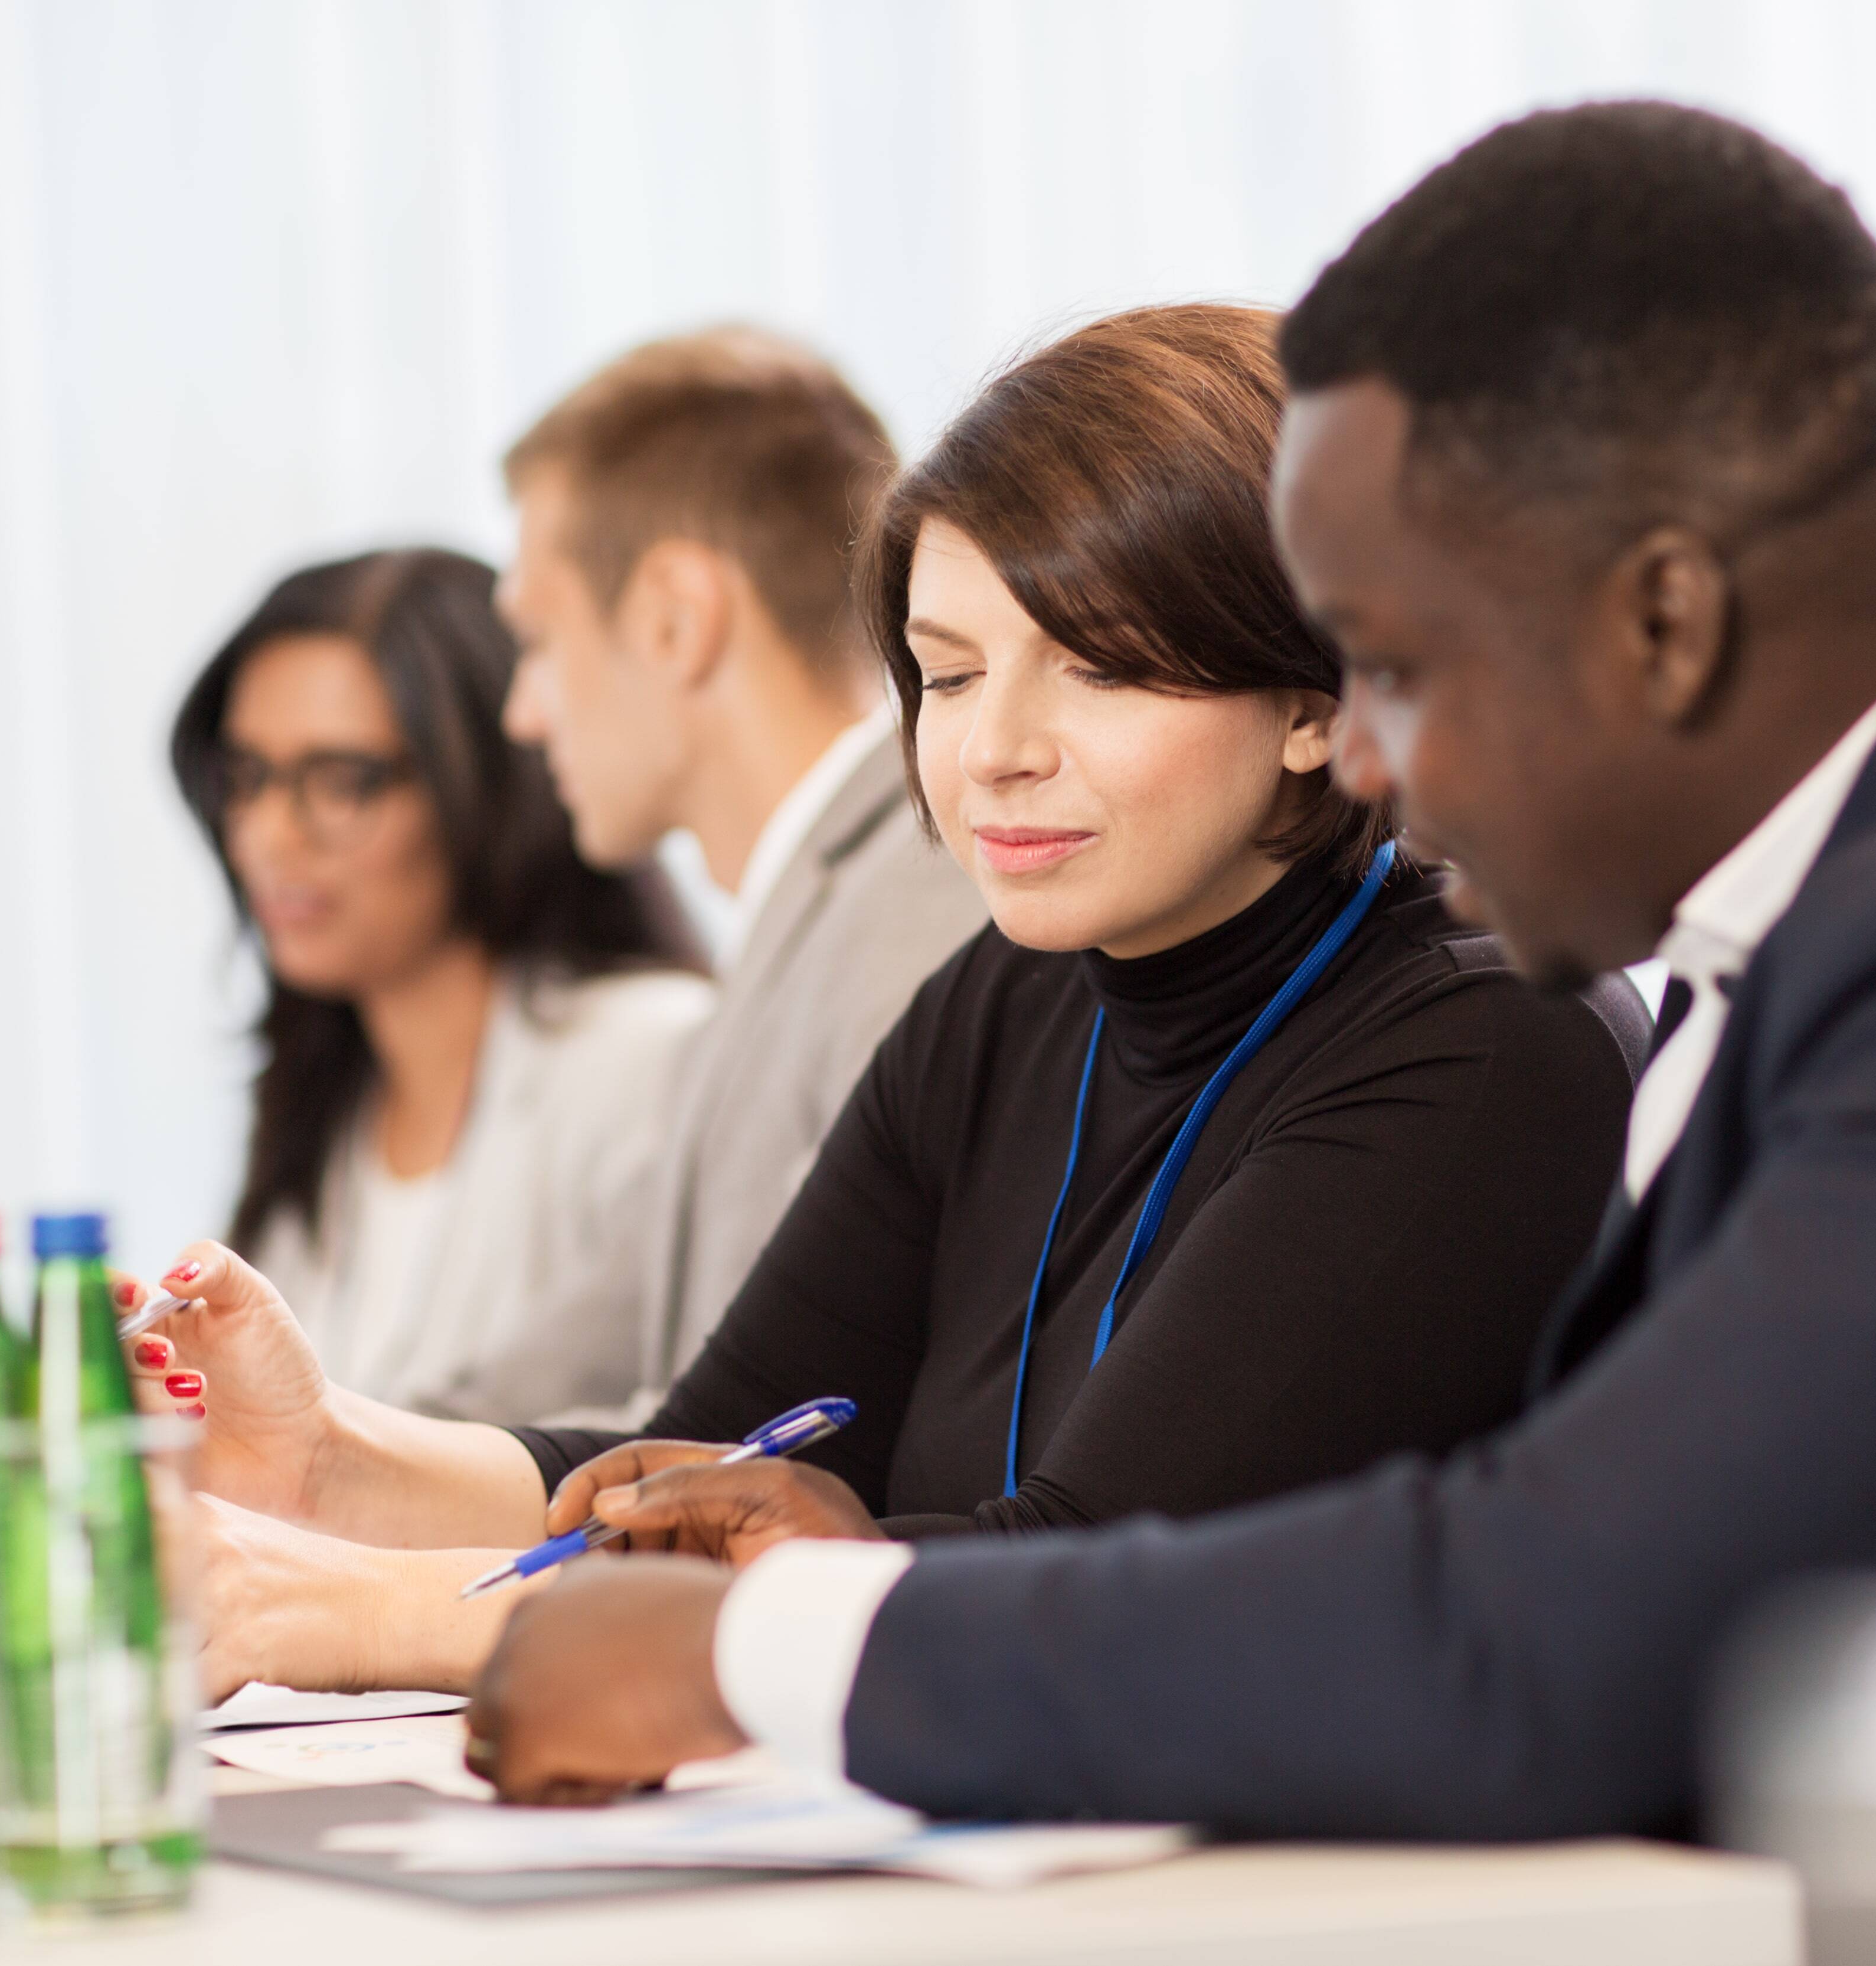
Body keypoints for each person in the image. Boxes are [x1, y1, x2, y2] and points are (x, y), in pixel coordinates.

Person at [455, 102, 1876, 1833]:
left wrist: (771, 1646)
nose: (1365, 760)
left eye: (1389, 668)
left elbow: (1542, 1629)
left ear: (1656, 620)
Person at [130, 304, 1646, 1697]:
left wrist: (338, 1610)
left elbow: (1069, 1585)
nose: (993, 750)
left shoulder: (1483, 1043)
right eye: (952, 672)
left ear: (1317, 700)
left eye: (1093, 672)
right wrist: (327, 1458)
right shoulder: (1012, 992)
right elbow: (716, 1451)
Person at [492, 326, 988, 1414]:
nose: (522, 710)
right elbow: (586, 1346)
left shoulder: (921, 905)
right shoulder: (804, 911)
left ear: (675, 618)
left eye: (537, 636)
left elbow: (805, 1413)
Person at [168, 548, 712, 1423]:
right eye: (247, 779)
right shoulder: (326, 1102)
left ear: (488, 785)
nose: (268, 835)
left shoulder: (650, 1058)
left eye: (341, 782)